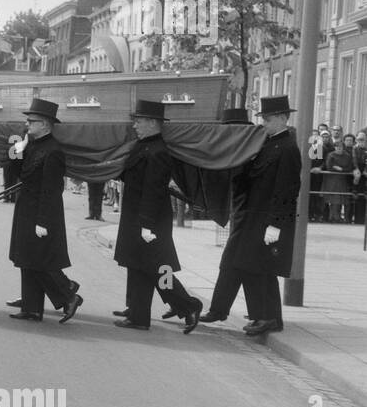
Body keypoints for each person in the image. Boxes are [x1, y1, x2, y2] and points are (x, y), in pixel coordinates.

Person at [110, 100, 203, 333]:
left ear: (153, 123)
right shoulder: (143, 146)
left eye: (139, 121)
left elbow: (153, 189)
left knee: (158, 268)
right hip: (137, 216)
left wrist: (146, 225)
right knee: (139, 265)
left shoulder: (158, 152)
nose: (135, 125)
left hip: (149, 219)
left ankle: (188, 305)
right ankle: (137, 312)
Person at [219, 95, 302, 336]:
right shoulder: (268, 144)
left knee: (261, 269)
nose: (263, 123)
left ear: (282, 118)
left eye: (267, 119)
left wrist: (275, 225)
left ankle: (268, 318)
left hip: (270, 219)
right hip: (257, 216)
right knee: (255, 267)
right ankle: (265, 316)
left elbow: (288, 189)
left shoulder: (288, 148)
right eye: (263, 119)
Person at [7, 99, 81, 323]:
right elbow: (14, 172)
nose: (27, 124)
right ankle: (32, 308)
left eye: (32, 121)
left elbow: (52, 190)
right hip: (26, 208)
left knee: (40, 260)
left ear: (46, 125)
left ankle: (69, 296)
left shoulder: (53, 151)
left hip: (41, 212)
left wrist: (43, 221)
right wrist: (16, 151)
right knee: (27, 260)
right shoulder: (31, 145)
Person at [199, 107, 261, 326]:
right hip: (242, 214)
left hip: (253, 217)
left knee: (237, 264)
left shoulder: (252, 151)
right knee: (237, 265)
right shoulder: (240, 149)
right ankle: (222, 309)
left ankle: (223, 310)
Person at [321, 135, 354, 223]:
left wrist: (340, 168)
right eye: (337, 147)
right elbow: (328, 167)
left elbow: (349, 167)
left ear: (343, 147)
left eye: (340, 147)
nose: (339, 148)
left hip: (342, 180)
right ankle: (333, 217)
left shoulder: (347, 156)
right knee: (333, 200)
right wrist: (336, 168)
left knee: (341, 200)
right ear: (334, 147)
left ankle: (339, 217)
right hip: (331, 180)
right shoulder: (330, 155)